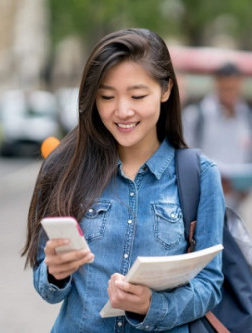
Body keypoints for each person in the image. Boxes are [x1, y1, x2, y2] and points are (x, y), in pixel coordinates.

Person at [21, 28, 225, 332]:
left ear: (166, 89)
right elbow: (46, 286)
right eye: (106, 96)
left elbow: (209, 285)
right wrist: (55, 272)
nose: (122, 111)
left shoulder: (200, 175)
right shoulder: (63, 168)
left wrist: (152, 307)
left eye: (137, 95)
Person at [182, 62, 252, 209]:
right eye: (226, 89)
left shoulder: (249, 117)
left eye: (234, 89)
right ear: (216, 85)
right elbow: (186, 159)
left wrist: (248, 187)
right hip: (203, 202)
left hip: (236, 206)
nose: (230, 94)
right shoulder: (197, 116)